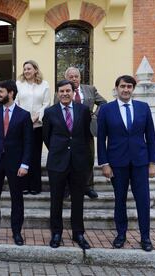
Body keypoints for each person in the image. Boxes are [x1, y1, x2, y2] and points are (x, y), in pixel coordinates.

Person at [97, 75, 155, 252]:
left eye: (129, 87)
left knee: (143, 201)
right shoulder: (107, 109)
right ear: (116, 88)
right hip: (117, 163)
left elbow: (151, 137)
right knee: (120, 200)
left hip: (140, 162)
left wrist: (152, 162)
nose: (126, 90)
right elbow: (101, 139)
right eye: (123, 86)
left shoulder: (143, 108)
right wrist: (104, 163)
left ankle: (145, 237)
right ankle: (121, 235)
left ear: (133, 89)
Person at [43, 80, 91, 250]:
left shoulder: (83, 110)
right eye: (61, 91)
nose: (64, 94)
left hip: (78, 163)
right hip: (57, 162)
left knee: (78, 200)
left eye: (68, 91)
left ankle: (78, 233)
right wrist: (59, 151)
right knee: (56, 200)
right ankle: (56, 233)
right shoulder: (50, 112)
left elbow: (86, 136)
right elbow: (46, 137)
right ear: (57, 93)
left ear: (73, 92)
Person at [0, 80, 33, 246]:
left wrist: (25, 164)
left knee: (17, 199)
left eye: (1, 92)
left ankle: (17, 232)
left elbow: (28, 142)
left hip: (16, 164)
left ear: (11, 93)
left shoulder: (24, 115)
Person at [63, 67, 107, 199]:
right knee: (68, 158)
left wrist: (94, 115)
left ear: (80, 77)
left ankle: (88, 186)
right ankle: (67, 187)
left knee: (88, 157)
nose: (74, 79)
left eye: (76, 76)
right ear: (66, 78)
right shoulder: (62, 91)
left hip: (87, 128)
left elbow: (103, 103)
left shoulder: (90, 89)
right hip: (68, 129)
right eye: (71, 77)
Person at [15, 60, 50, 195]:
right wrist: (24, 118)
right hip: (21, 125)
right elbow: (16, 102)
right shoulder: (19, 84)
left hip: (37, 125)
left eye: (29, 69)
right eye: (25, 69)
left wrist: (37, 116)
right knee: (23, 155)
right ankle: (23, 185)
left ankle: (35, 186)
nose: (26, 71)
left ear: (35, 69)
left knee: (35, 156)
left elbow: (47, 103)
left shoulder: (44, 84)